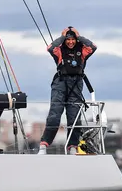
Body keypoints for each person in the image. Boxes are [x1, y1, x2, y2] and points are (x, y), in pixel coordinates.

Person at [38, 26, 97, 155]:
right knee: (54, 115)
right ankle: (44, 145)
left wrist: (79, 36)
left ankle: (72, 146)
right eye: (68, 39)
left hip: (76, 85)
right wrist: (63, 36)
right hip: (60, 84)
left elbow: (93, 47)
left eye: (73, 39)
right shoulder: (59, 50)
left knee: (74, 118)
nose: (70, 42)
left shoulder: (82, 50)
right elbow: (50, 48)